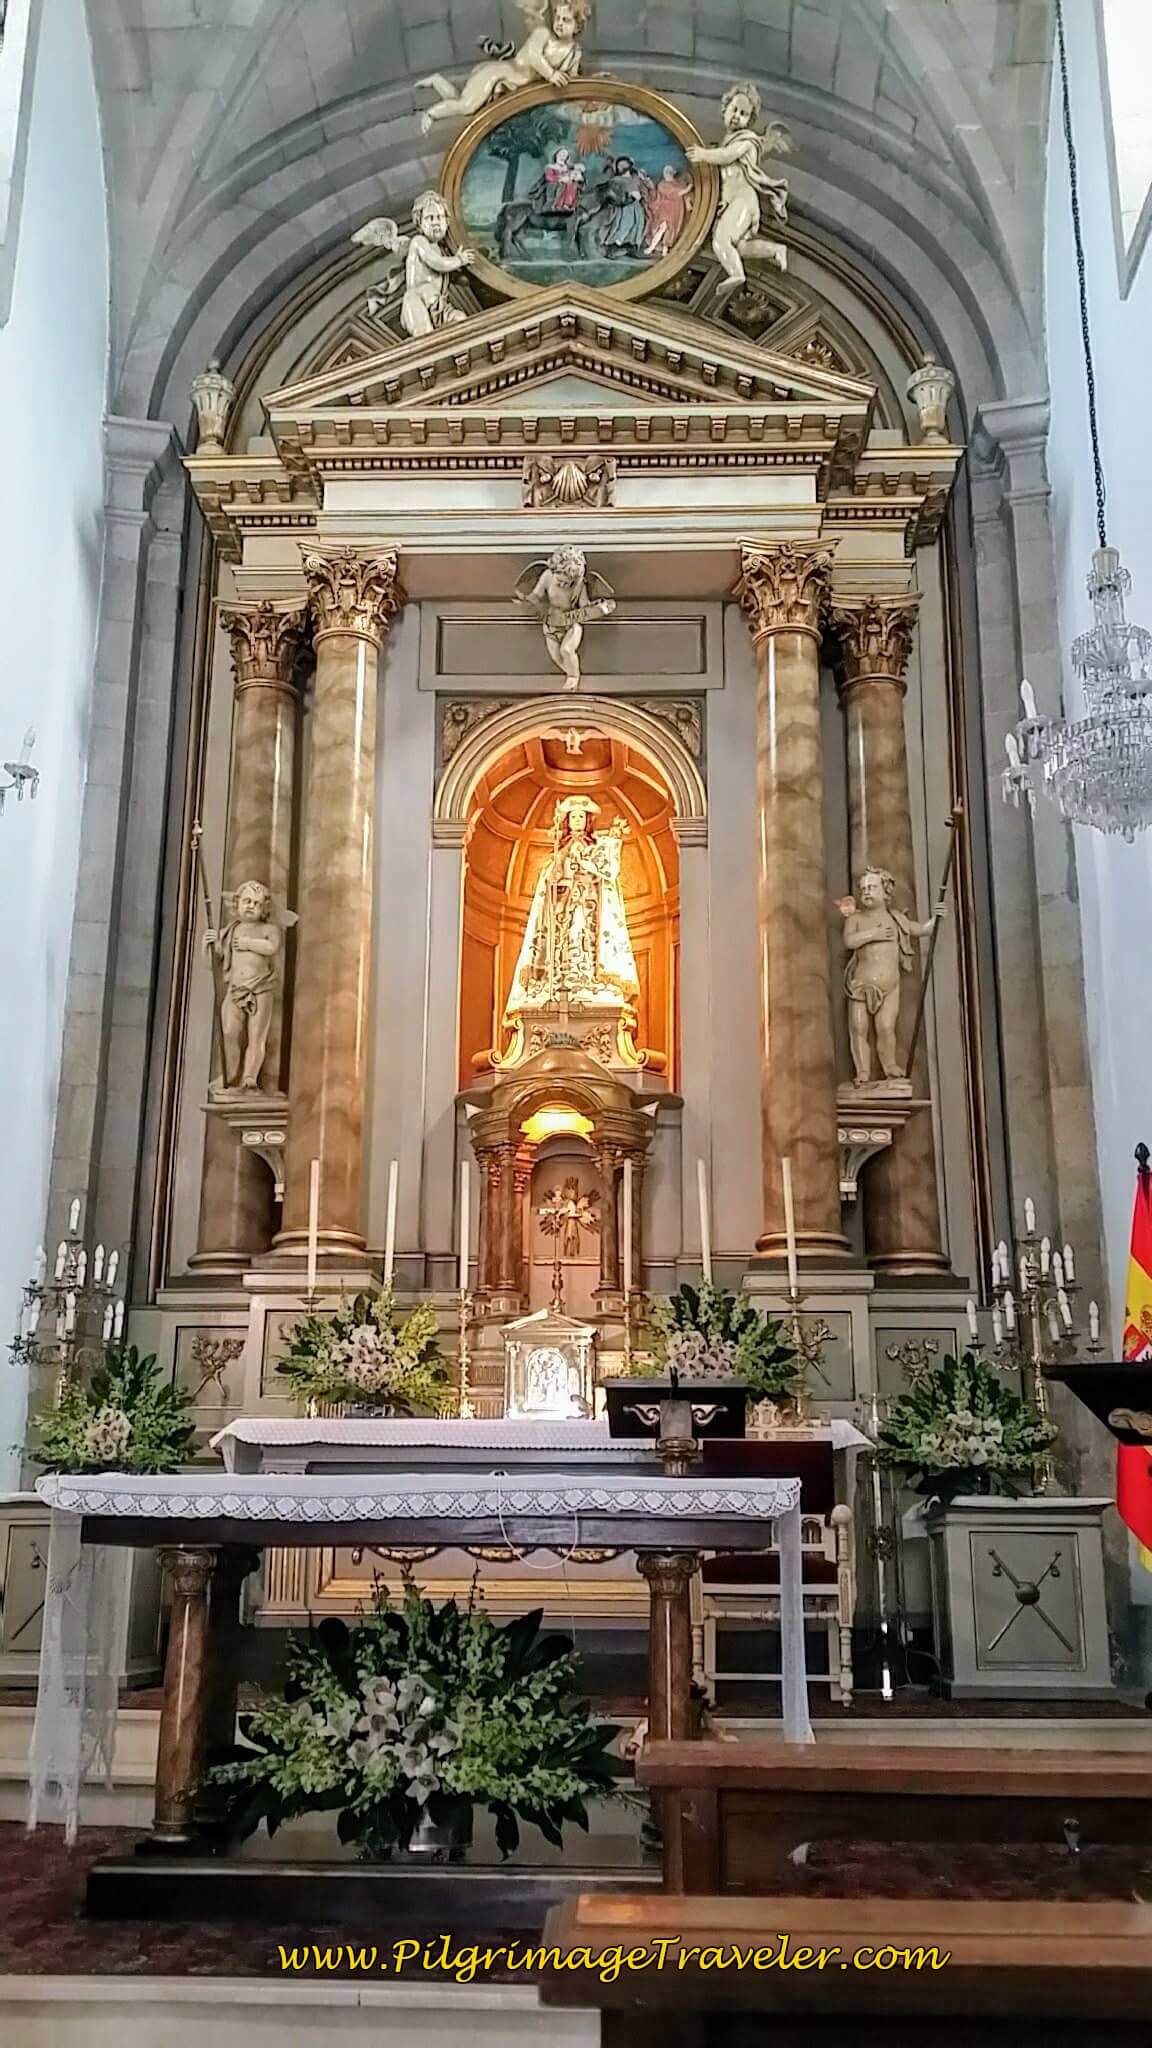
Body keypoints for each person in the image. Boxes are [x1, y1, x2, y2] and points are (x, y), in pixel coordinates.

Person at [645, 165, 693, 255]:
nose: (666, 174)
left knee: (671, 228)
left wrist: (687, 199)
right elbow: (675, 192)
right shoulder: (662, 184)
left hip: (676, 209)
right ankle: (652, 247)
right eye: (666, 172)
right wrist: (687, 188)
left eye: (668, 172)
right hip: (665, 209)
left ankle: (665, 249)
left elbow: (683, 194)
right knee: (662, 227)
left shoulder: (679, 183)